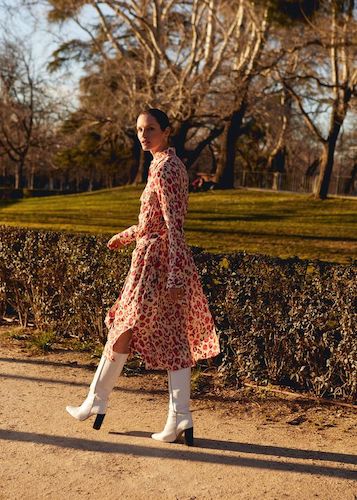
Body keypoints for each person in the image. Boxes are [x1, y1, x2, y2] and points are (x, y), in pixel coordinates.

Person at [66, 108, 220, 446]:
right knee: (163, 336)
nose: (143, 135)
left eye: (150, 128)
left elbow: (174, 226)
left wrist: (177, 276)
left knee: (129, 328)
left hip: (159, 266)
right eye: (138, 129)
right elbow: (154, 221)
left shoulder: (166, 169)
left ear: (166, 131)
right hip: (151, 261)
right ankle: (176, 416)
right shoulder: (160, 165)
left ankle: (98, 401)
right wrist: (126, 235)